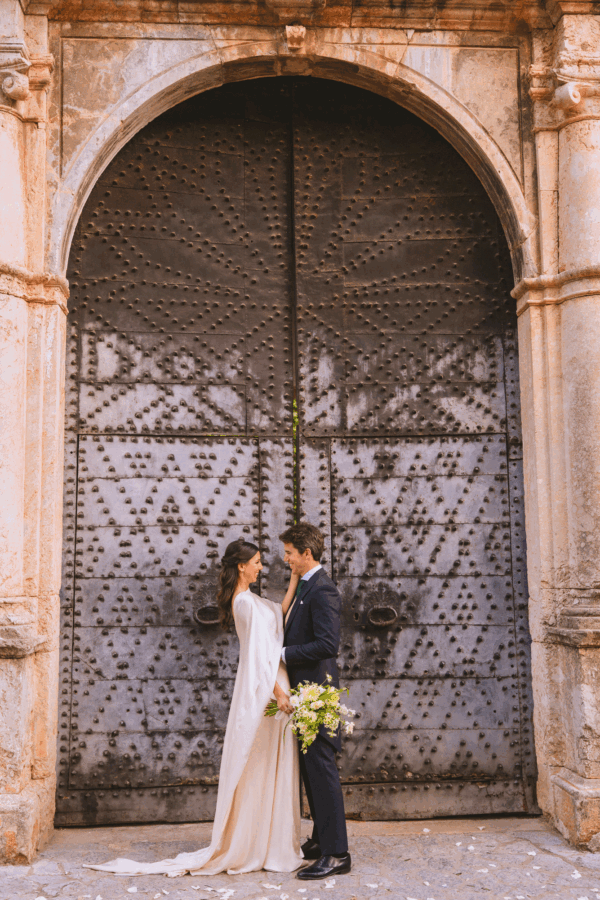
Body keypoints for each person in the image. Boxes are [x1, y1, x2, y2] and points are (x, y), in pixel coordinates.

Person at [83, 538, 304, 877]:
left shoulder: (254, 600)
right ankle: (257, 842)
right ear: (242, 566)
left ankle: (268, 839)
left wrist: (295, 576)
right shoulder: (243, 603)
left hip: (272, 685)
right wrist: (278, 693)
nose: (262, 566)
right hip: (267, 690)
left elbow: (281, 614)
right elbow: (260, 657)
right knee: (258, 762)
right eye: (257, 562)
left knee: (268, 762)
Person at [279, 522, 352, 880]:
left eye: (290, 553)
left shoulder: (323, 590)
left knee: (322, 771)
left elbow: (327, 645)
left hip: (317, 693)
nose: (286, 559)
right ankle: (321, 839)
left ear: (306, 553)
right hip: (303, 693)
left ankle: (338, 853)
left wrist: (282, 653)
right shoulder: (306, 586)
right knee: (312, 771)